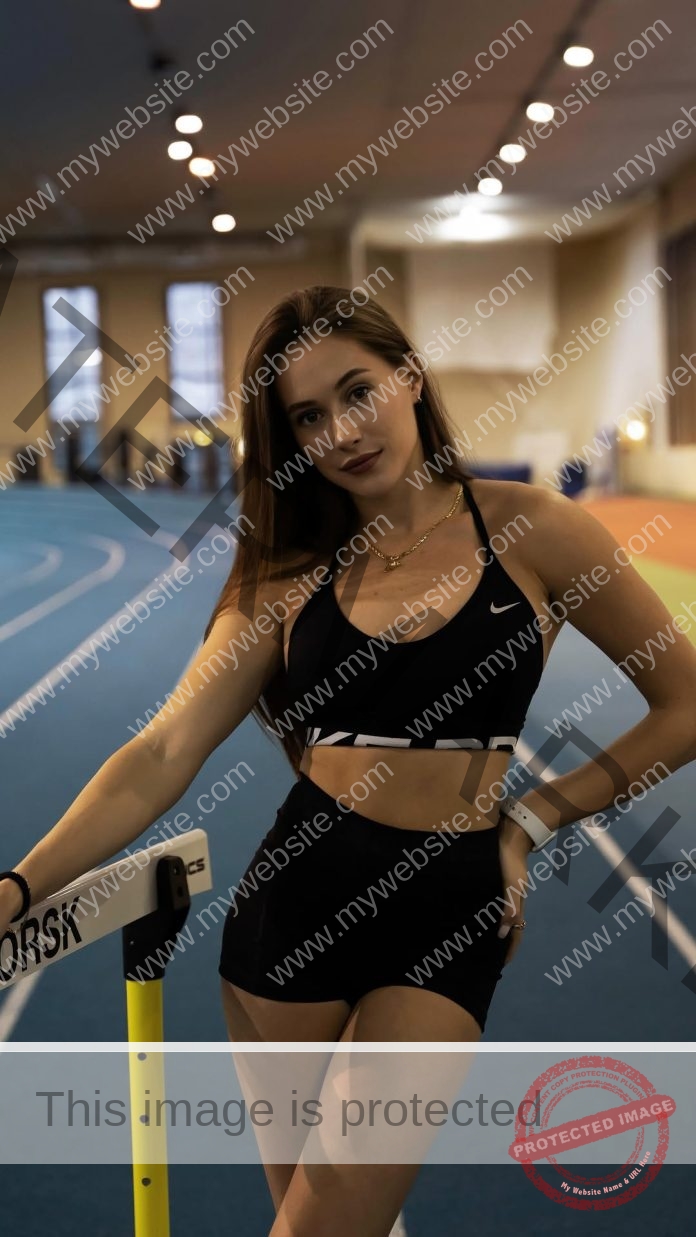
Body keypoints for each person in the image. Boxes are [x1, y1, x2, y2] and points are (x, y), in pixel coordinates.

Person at [2, 285, 696, 1236]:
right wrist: (16, 886)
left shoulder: (531, 528)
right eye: (309, 417)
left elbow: (687, 704)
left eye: (358, 390)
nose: (343, 430)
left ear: (410, 377)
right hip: (295, 907)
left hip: (454, 909)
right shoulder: (287, 572)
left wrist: (535, 819)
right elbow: (161, 750)